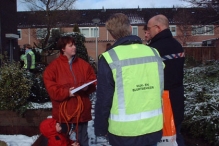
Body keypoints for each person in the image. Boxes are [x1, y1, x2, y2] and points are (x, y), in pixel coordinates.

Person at [94, 13, 164, 146]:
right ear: (131, 28)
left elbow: (104, 99)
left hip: (123, 133)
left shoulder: (109, 58)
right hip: (153, 127)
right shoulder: (154, 53)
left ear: (111, 34)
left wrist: (100, 128)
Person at [43, 36, 96, 146]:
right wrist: (67, 92)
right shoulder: (53, 67)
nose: (74, 47)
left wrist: (88, 87)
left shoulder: (84, 65)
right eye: (70, 45)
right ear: (63, 48)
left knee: (83, 139)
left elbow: (93, 80)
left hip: (81, 112)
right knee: (62, 140)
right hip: (63, 113)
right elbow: (52, 89)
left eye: (74, 45)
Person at [147, 14, 185, 146]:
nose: (148, 31)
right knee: (176, 135)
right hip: (178, 97)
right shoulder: (177, 45)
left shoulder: (153, 49)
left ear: (157, 28)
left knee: (162, 139)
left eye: (149, 28)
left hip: (160, 101)